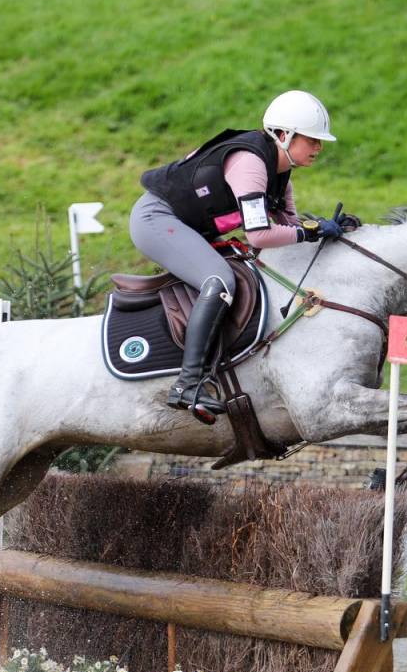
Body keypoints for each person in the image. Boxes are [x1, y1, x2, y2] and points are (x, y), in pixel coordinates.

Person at [130, 90, 351, 423]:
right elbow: (260, 235)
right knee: (219, 280)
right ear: (283, 135)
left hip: (184, 225)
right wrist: (310, 232)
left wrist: (323, 226)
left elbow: (288, 224)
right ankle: (187, 384)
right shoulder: (250, 163)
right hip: (156, 219)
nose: (319, 147)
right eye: (312, 140)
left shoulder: (281, 174)